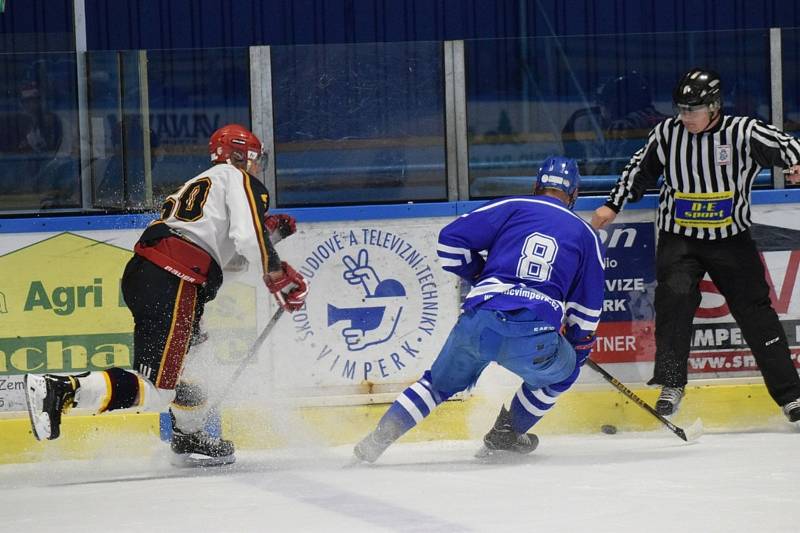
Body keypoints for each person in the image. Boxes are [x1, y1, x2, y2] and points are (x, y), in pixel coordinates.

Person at [23, 124, 308, 465]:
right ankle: (61, 388)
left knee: (194, 362)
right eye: (254, 158)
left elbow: (227, 261)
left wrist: (269, 238)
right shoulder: (237, 178)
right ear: (237, 156)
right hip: (174, 279)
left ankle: (189, 436)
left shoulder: (200, 186)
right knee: (159, 389)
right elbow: (248, 238)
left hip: (150, 273)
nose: (258, 166)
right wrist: (276, 270)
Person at [352, 156, 605, 463]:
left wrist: (479, 275)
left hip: (480, 317)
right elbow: (587, 310)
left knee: (433, 386)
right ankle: (506, 435)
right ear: (574, 195)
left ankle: (375, 442)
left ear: (536, 186)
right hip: (533, 331)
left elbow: (449, 242)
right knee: (564, 373)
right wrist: (578, 346)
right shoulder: (586, 235)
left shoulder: (512, 206)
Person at [591, 68, 800, 423]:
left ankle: (791, 396)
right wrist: (613, 204)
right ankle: (671, 385)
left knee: (757, 314)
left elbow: (787, 145)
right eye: (682, 109)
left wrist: (797, 163)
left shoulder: (743, 132)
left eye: (694, 110)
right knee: (673, 306)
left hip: (730, 240)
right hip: (680, 239)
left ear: (714, 106)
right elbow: (638, 169)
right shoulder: (667, 134)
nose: (686, 117)